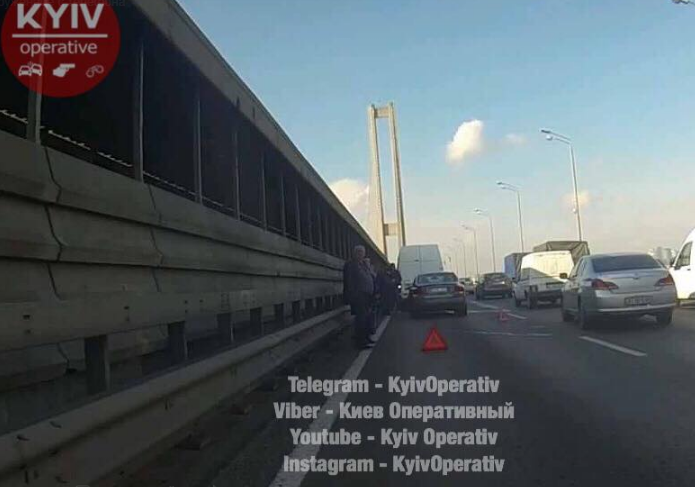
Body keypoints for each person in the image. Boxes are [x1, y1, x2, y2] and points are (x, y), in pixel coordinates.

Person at [343, 246, 377, 349]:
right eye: (359, 252)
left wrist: (368, 266)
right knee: (361, 319)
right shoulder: (351, 265)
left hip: (367, 295)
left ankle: (366, 338)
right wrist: (352, 295)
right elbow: (349, 281)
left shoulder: (364, 265)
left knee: (367, 318)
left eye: (362, 252)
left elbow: (373, 276)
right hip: (359, 296)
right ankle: (360, 341)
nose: (361, 254)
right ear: (355, 253)